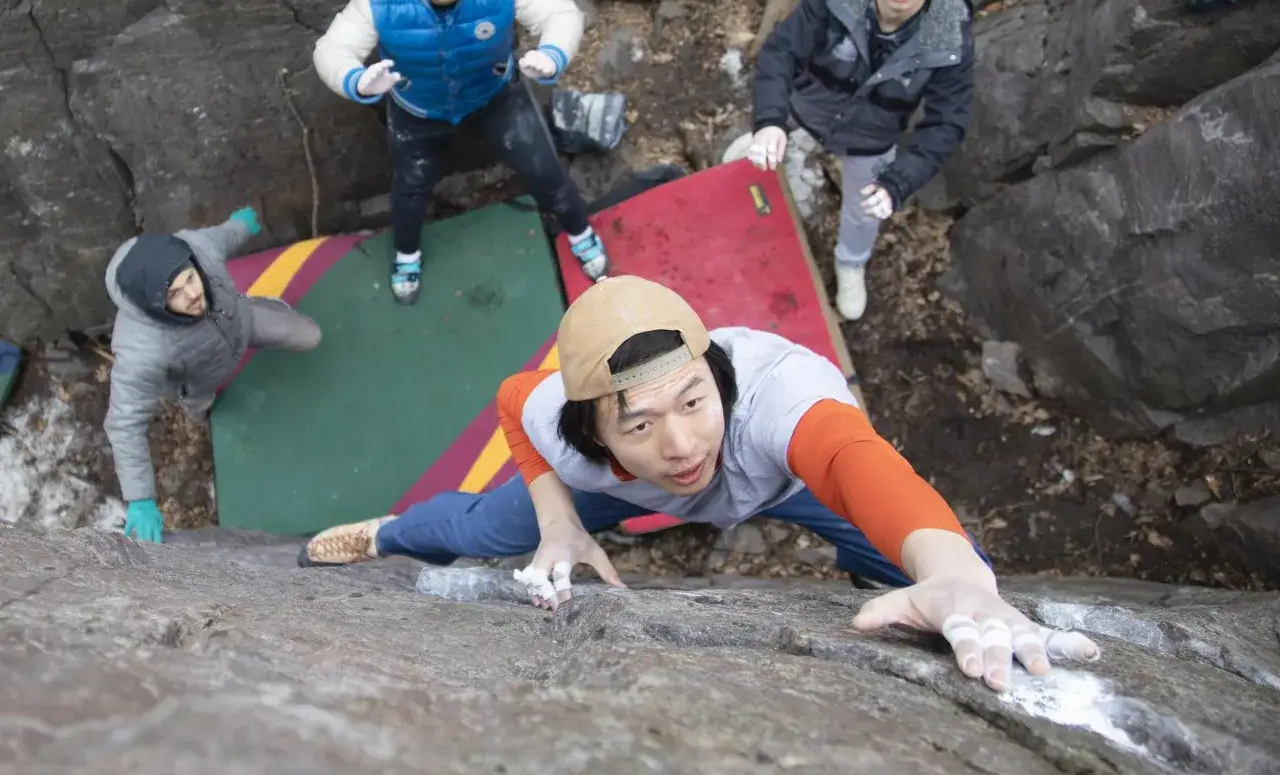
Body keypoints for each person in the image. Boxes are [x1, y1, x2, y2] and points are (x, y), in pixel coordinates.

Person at [298, 275, 1099, 692]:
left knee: (933, 565)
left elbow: (859, 461)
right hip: (616, 492)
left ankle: (891, 573)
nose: (683, 446)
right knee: (483, 533)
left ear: (718, 376)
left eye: (693, 401)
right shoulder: (567, 429)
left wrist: (955, 578)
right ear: (596, 427)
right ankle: (389, 531)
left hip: (779, 482)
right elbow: (515, 401)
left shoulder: (779, 396)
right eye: (640, 423)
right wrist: (556, 516)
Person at [313, 0, 609, 305]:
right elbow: (333, 48)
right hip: (418, 109)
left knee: (542, 166)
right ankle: (407, 253)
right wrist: (357, 81)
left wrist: (553, 53)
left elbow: (559, 13)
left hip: (494, 95)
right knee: (410, 186)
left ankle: (579, 230)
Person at [748, 0, 975, 321]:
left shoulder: (950, 36)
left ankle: (851, 262)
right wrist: (769, 121)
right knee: (747, 158)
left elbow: (947, 120)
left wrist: (898, 182)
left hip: (874, 133)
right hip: (810, 104)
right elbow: (782, 49)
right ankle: (755, 176)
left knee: (864, 208)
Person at [104, 207, 322, 543]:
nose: (192, 295)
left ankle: (258, 303)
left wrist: (240, 225)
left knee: (310, 336)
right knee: (202, 408)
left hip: (241, 322)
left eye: (190, 279)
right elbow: (125, 424)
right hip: (197, 379)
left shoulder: (195, 248)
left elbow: (222, 235)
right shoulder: (140, 351)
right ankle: (202, 408)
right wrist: (140, 499)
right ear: (153, 304)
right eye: (173, 294)